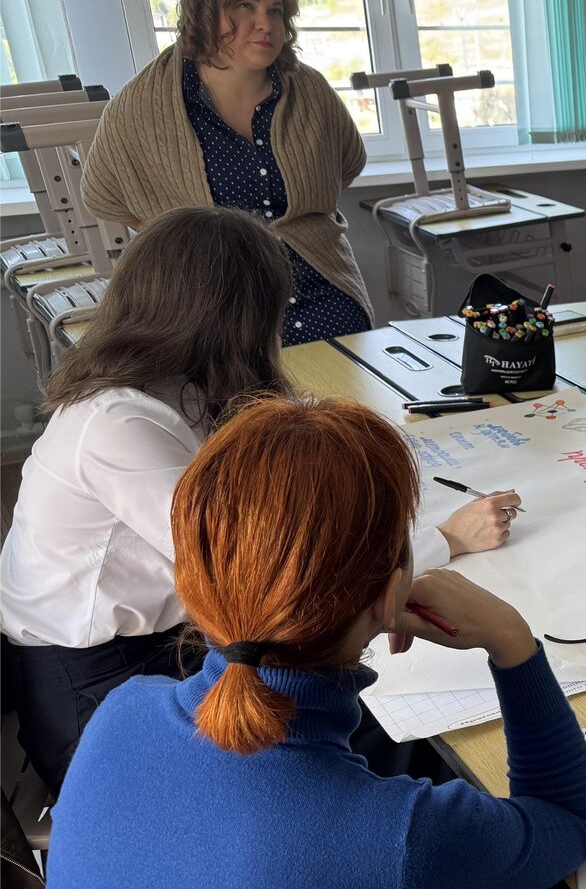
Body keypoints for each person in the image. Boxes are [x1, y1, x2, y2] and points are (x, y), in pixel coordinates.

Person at [44, 396, 586, 889]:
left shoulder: (122, 712)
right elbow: (571, 820)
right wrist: (512, 640)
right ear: (388, 595)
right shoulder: (396, 839)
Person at [0, 207, 517, 795]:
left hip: (161, 646)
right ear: (239, 323)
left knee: (369, 707)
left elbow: (276, 509)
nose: (280, 334)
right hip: (95, 690)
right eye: (275, 316)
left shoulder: (176, 388)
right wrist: (439, 543)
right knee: (376, 732)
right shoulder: (118, 422)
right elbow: (264, 568)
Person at [82, 0, 374, 344]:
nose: (265, 24)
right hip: (214, 307)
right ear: (204, 12)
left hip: (323, 288)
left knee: (350, 381)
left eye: (275, 10)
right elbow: (106, 196)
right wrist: (186, 242)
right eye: (245, 7)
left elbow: (346, 162)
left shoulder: (311, 90)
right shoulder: (142, 103)